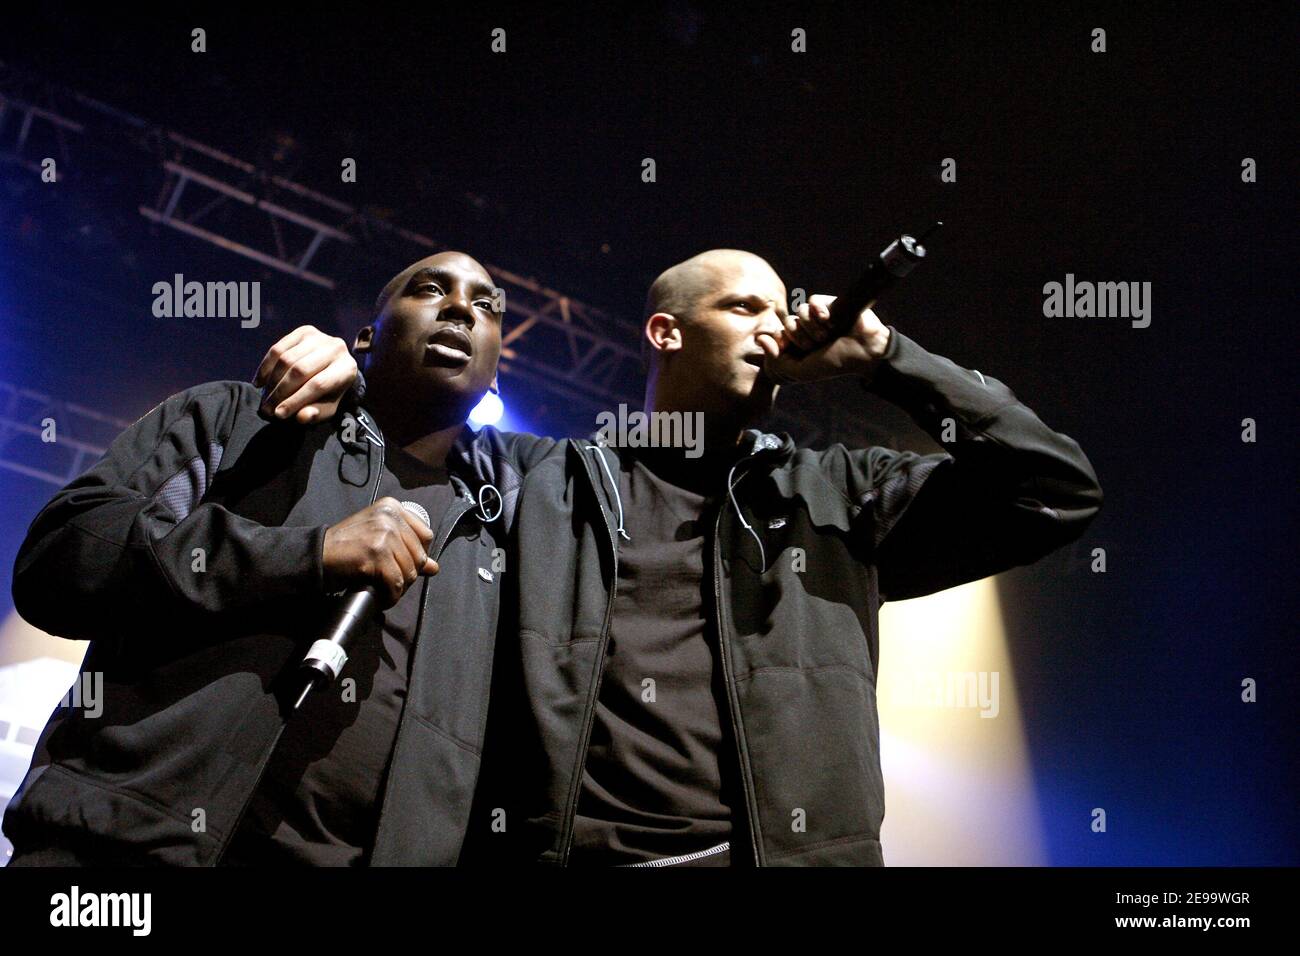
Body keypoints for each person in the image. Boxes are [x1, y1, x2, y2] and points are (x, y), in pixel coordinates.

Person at [259, 247, 1104, 866]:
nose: (775, 328)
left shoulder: (839, 495)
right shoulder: (536, 479)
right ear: (666, 330)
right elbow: (410, 421)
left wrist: (891, 361)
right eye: (744, 308)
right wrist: (350, 360)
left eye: (782, 311)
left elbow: (1055, 492)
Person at [4, 251, 553, 866]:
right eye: (430, 289)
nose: (460, 307)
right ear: (364, 338)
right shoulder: (244, 423)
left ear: (496, 374)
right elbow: (62, 558)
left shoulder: (501, 531)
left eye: (485, 305)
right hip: (121, 856)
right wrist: (306, 555)